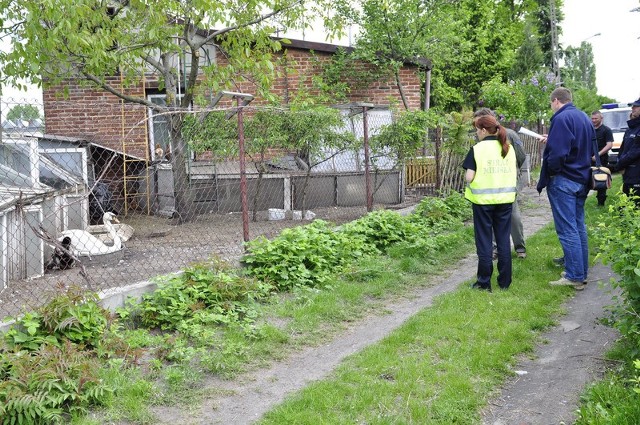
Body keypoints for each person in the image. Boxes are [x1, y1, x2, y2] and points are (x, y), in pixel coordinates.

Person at [537, 87, 595, 290]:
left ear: (555, 101)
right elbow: (583, 146)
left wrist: (553, 172)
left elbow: (559, 154)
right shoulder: (583, 117)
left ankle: (575, 276)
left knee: (567, 229)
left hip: (564, 179)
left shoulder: (561, 119)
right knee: (578, 226)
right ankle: (580, 271)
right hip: (582, 177)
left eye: (550, 103)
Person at [462, 113, 517, 291]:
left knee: (485, 242)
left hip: (483, 202)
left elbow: (469, 177)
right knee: (503, 240)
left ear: (484, 130)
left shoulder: (477, 149)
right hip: (505, 201)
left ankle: (484, 283)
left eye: (477, 130)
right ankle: (505, 282)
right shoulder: (508, 148)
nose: (476, 133)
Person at [473, 108, 528, 259]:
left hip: (506, 183)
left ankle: (519, 248)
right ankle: (499, 249)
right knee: (495, 216)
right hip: (490, 182)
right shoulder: (478, 136)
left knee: (512, 215)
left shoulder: (509, 134)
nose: (478, 127)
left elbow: (521, 156)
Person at [614, 97, 640, 206]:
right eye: (632, 106)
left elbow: (634, 152)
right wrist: (619, 163)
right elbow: (623, 149)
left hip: (637, 176)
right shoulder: (631, 128)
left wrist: (619, 165)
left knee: (635, 208)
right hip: (628, 176)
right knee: (625, 209)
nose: (632, 108)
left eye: (636, 106)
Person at [590, 110, 614, 206]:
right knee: (587, 179)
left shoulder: (606, 130)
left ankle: (601, 204)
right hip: (588, 159)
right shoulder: (589, 129)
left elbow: (609, 145)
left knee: (601, 181)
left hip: (601, 160)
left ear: (601, 118)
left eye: (596, 118)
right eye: (592, 118)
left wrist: (598, 154)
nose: (594, 120)